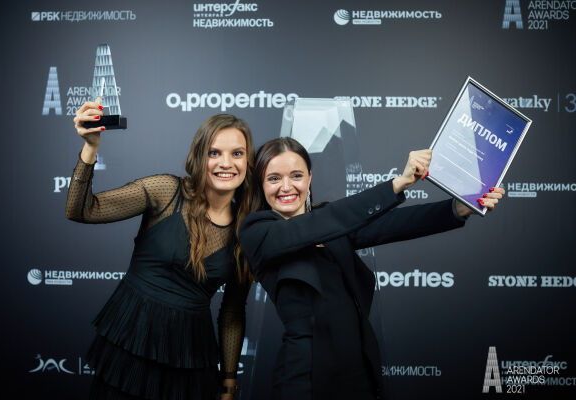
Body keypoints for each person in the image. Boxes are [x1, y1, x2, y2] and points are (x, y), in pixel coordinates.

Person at [239, 137, 505, 400]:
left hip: (359, 374)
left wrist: (458, 208)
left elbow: (398, 223)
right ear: (261, 184)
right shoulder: (257, 232)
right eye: (274, 178)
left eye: (296, 175)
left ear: (310, 177)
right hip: (305, 379)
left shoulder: (333, 224)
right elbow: (321, 223)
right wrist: (398, 183)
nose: (286, 186)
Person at [66, 99, 254, 399]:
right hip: (132, 339)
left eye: (237, 153)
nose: (226, 163)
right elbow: (81, 210)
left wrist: (229, 382)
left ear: (248, 161)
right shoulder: (166, 191)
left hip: (191, 355)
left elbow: (232, 312)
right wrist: (90, 148)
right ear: (199, 156)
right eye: (214, 152)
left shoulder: (246, 231)